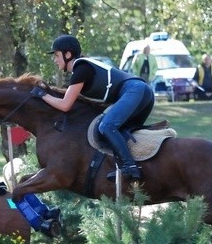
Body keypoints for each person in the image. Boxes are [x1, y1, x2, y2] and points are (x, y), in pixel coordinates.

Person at [31, 34, 154, 182]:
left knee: (107, 126)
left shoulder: (81, 69)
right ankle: (133, 166)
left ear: (68, 54)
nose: (54, 59)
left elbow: (65, 105)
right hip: (143, 93)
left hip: (135, 90)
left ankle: (129, 167)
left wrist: (42, 95)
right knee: (117, 131)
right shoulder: (82, 69)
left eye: (56, 55)